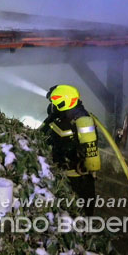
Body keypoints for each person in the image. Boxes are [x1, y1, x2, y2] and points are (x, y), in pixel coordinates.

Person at [41, 84, 100, 216]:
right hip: (62, 177)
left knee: (79, 215)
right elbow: (41, 134)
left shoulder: (82, 121)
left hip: (78, 181)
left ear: (65, 102)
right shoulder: (60, 118)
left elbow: (91, 158)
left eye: (56, 102)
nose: (53, 106)